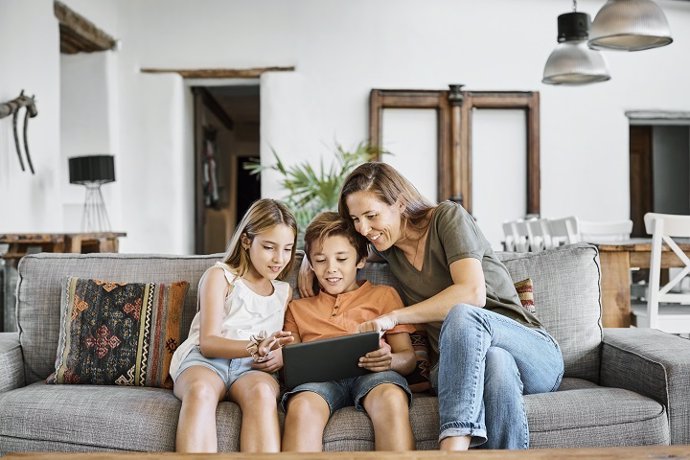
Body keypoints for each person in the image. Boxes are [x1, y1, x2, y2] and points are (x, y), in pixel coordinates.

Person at [300, 162, 564, 450]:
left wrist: (393, 317)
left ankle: (452, 447)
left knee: (464, 314)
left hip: (530, 351)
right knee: (496, 361)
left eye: (371, 216)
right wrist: (309, 258)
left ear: (399, 203)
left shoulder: (447, 218)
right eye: (356, 220)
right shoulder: (385, 246)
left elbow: (472, 293)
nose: (364, 229)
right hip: (456, 366)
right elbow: (342, 248)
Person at [169, 198, 298, 453]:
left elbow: (286, 342)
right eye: (270, 247)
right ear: (247, 241)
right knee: (200, 392)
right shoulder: (221, 276)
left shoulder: (284, 291)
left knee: (262, 394)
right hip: (206, 361)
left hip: (253, 368)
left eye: (288, 249)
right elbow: (209, 343)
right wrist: (255, 346)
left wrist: (277, 355)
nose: (279, 259)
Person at [282, 211, 417, 452]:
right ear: (310, 264)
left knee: (391, 399)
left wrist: (390, 361)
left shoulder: (384, 296)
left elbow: (408, 359)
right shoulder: (297, 308)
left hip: (375, 376)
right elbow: (292, 364)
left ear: (360, 260)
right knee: (302, 407)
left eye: (342, 259)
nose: (331, 269)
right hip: (318, 382)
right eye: (321, 260)